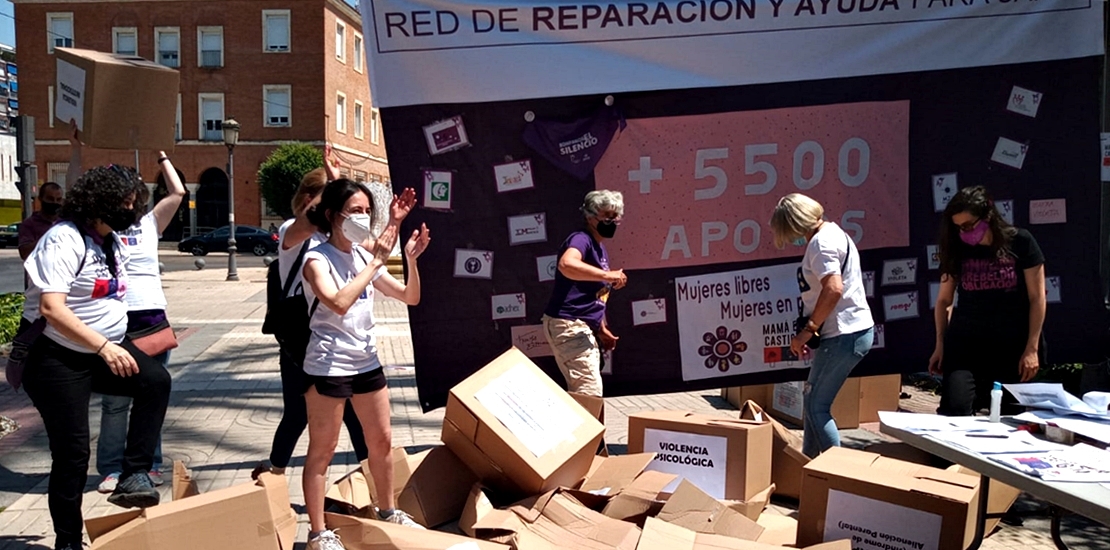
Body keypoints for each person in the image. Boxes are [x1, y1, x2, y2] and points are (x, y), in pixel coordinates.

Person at [23, 165, 171, 550]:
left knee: (155, 381)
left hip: (100, 351)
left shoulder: (110, 241)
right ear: (102, 202)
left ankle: (133, 474)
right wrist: (104, 347)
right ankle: (68, 542)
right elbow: (52, 308)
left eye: (135, 203)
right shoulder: (65, 239)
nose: (133, 210)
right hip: (58, 358)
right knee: (73, 454)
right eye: (127, 203)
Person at [301, 179, 426, 549]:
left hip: (367, 362)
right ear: (331, 215)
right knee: (322, 451)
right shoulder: (316, 258)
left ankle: (388, 510)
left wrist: (411, 260)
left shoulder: (360, 255)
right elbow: (337, 302)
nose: (363, 217)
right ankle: (318, 532)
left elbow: (410, 297)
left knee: (382, 442)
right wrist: (375, 261)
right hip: (328, 365)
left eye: (367, 211)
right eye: (355, 210)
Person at [261, 147, 372, 476]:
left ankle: (377, 482)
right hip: (302, 340)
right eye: (330, 198)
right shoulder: (293, 232)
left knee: (354, 413)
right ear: (312, 199)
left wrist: (340, 182)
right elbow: (310, 221)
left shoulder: (339, 236)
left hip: (337, 339)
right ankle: (275, 476)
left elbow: (368, 243)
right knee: (296, 414)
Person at [96, 152, 186, 493]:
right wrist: (76, 151)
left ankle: (149, 464)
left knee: (154, 393)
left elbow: (177, 193)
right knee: (115, 402)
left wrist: (162, 155)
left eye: (133, 195)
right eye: (122, 196)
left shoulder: (149, 224)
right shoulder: (100, 227)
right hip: (116, 323)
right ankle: (111, 468)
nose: (128, 202)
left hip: (152, 320)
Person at [770, 193, 874, 458]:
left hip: (843, 334)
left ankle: (835, 475)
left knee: (817, 406)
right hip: (846, 333)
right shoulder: (834, 234)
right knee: (812, 403)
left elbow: (833, 288)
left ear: (795, 223)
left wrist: (808, 330)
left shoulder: (820, 244)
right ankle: (809, 470)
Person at [930, 186, 1046, 416]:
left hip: (1011, 347)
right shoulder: (957, 248)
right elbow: (944, 300)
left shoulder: (1021, 242)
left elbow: (1037, 297)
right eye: (958, 227)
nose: (963, 232)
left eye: (968, 225)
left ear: (988, 215)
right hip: (966, 344)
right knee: (955, 409)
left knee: (1009, 418)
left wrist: (1032, 349)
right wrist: (940, 345)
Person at [541, 190, 627, 397]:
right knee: (589, 392)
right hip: (569, 323)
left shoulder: (599, 248)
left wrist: (602, 327)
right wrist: (608, 275)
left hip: (584, 326)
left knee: (586, 392)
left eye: (616, 216)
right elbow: (567, 264)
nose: (613, 221)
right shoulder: (581, 239)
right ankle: (584, 430)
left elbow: (596, 295)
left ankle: (584, 429)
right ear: (590, 216)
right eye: (607, 216)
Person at [18, 122, 82, 330]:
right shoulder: (30, 225)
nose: (55, 202)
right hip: (37, 300)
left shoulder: (67, 221)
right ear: (41, 199)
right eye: (50, 199)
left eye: (58, 199)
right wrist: (51, 238)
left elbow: (75, 185)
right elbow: (26, 253)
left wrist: (76, 148)